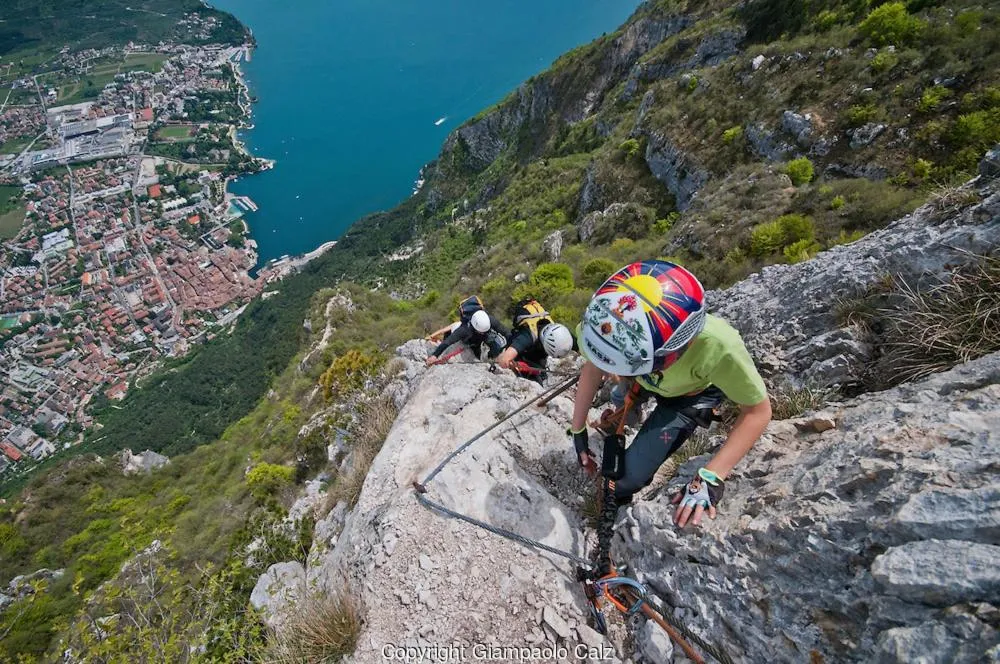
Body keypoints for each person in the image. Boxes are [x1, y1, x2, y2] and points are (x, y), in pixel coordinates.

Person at [567, 260, 771, 527]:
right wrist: (578, 429)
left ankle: (632, 404)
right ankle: (629, 405)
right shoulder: (604, 324)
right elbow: (594, 366)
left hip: (689, 396)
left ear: (676, 350)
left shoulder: (719, 348)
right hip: (645, 380)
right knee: (622, 394)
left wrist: (712, 475)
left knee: (623, 481)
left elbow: (757, 411)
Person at [494, 298, 575, 382]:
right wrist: (517, 365)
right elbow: (504, 359)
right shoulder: (527, 336)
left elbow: (583, 348)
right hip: (523, 352)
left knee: (540, 370)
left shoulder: (562, 334)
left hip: (536, 350)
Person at [426, 296, 510, 366]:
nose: (483, 332)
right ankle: (483, 355)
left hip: (479, 337)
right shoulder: (462, 330)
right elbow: (448, 342)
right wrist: (434, 355)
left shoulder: (490, 320)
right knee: (476, 349)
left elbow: (506, 332)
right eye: (482, 331)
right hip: (470, 339)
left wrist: (511, 348)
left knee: (491, 339)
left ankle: (493, 357)